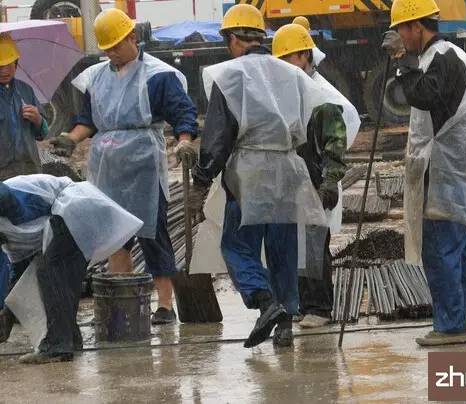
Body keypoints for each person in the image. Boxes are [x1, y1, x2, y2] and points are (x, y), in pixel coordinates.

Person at [190, 4, 332, 348]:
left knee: (237, 246)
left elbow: (219, 135)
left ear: (233, 39)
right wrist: (319, 175)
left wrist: (202, 177)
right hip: (289, 171)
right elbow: (314, 122)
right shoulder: (290, 74)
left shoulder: (230, 76)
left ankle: (266, 302)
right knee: (283, 251)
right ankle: (285, 321)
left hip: (250, 174)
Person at [49, 8, 198, 324]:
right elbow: (88, 119)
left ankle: (165, 306)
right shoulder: (98, 76)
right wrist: (72, 138)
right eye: (107, 49)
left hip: (143, 164)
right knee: (115, 235)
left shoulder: (157, 75)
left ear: (132, 37)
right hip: (107, 165)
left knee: (152, 233)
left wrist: (184, 140)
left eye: (116, 46)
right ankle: (122, 303)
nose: (112, 53)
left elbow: (182, 111)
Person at [382, 0, 466, 346]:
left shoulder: (443, 58)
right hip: (446, 168)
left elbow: (424, 96)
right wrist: (407, 63)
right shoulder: (438, 58)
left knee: (442, 251)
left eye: (400, 31)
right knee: (455, 250)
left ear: (415, 27)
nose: (399, 38)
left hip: (443, 170)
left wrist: (402, 61)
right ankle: (461, 320)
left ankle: (452, 326)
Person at [0, 174, 142, 364]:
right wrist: (6, 313)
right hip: (72, 211)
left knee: (51, 271)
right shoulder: (11, 240)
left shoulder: (9, 202)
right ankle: (70, 340)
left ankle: (57, 346)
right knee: (58, 278)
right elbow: (19, 273)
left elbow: (7, 197)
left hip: (76, 205)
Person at [272, 23, 360, 329]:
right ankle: (299, 302)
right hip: (291, 180)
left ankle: (319, 308)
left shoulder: (321, 98)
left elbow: (334, 146)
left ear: (305, 56)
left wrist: (329, 181)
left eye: (290, 58)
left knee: (312, 246)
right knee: (294, 246)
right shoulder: (287, 92)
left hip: (314, 179)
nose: (285, 66)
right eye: (280, 60)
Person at [0, 34, 50, 312]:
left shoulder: (26, 92)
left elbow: (44, 134)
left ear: (17, 64)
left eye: (9, 64)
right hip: (2, 179)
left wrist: (38, 120)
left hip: (30, 176)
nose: (4, 69)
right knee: (4, 240)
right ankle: (6, 302)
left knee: (31, 237)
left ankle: (29, 302)